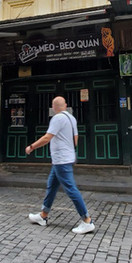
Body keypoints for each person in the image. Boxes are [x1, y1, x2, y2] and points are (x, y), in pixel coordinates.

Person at [26, 96, 95, 235]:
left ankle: (87, 220)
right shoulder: (72, 118)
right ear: (65, 105)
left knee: (70, 188)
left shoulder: (57, 119)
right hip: (65, 158)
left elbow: (47, 137)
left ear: (53, 107)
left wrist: (32, 147)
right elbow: (76, 138)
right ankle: (43, 215)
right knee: (51, 186)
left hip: (61, 160)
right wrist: (68, 148)